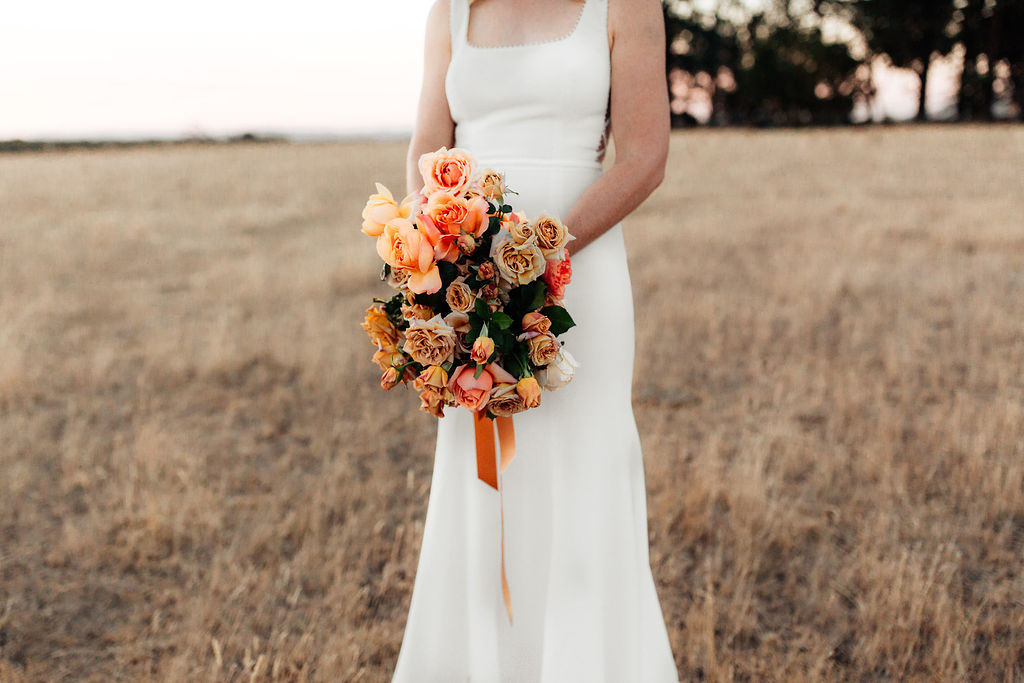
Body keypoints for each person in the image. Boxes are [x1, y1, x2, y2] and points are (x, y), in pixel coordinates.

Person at [392, 0, 679, 680]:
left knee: (586, 470)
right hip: (469, 291)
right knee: (484, 483)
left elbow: (645, 157)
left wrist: (533, 257)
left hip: (580, 280)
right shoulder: (451, 12)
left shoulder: (626, 5)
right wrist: (434, 263)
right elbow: (425, 152)